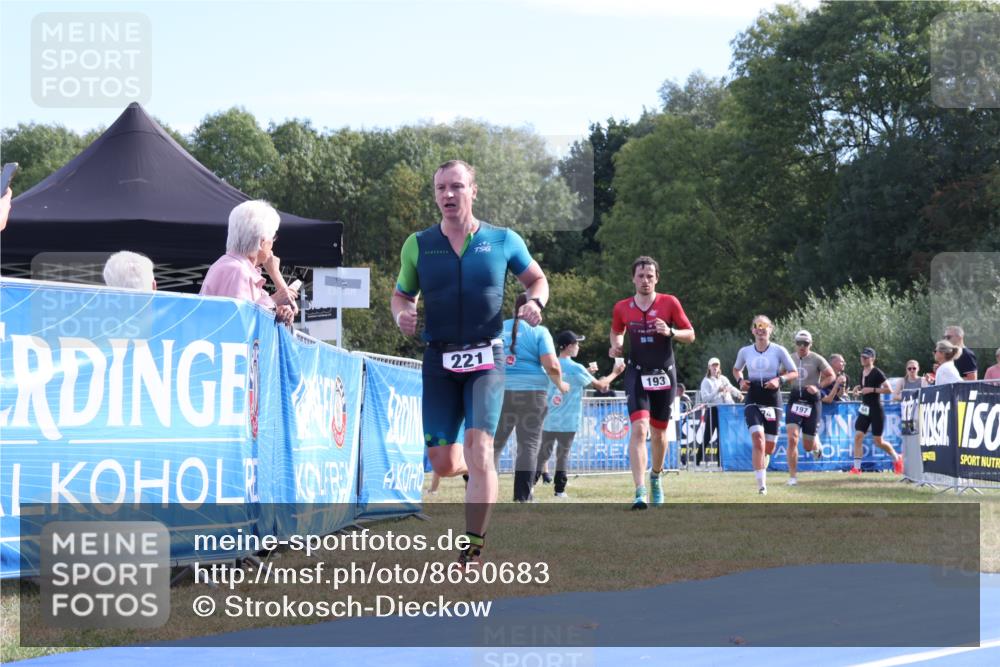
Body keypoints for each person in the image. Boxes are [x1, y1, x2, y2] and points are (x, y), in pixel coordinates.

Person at [392, 159, 548, 565]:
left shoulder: (502, 240)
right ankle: (467, 472)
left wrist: (535, 302)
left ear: (473, 191)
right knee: (442, 463)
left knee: (481, 450)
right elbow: (402, 295)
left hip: (486, 356)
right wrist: (401, 314)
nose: (448, 195)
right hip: (439, 358)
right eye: (441, 188)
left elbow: (537, 279)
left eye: (456, 186)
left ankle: (472, 547)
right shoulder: (418, 244)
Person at [609, 256, 695, 509]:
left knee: (659, 434)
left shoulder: (669, 303)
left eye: (650, 276)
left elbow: (690, 334)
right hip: (636, 373)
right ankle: (639, 491)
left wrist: (670, 332)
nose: (645, 281)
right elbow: (616, 331)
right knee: (639, 429)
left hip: (665, 374)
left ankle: (656, 476)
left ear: (657, 278)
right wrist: (616, 346)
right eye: (640, 276)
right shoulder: (622, 307)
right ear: (633, 279)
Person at [492, 296, 569, 502]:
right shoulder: (540, 332)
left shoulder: (498, 328)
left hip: (499, 393)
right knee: (528, 446)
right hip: (533, 396)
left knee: (494, 446)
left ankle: (485, 493)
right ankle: (522, 497)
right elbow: (551, 365)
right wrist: (560, 385)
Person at [536, 331, 625, 498]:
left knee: (543, 454)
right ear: (569, 347)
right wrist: (615, 373)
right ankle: (559, 491)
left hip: (549, 418)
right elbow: (600, 386)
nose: (578, 346)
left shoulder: (548, 365)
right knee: (563, 455)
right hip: (568, 420)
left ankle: (529, 487)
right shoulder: (576, 367)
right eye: (576, 343)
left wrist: (587, 371)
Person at [200, 200, 298, 325]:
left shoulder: (236, 268)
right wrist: (273, 301)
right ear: (262, 241)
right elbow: (238, 321)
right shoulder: (236, 270)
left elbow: (289, 308)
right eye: (273, 237)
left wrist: (276, 310)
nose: (273, 243)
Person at [733, 315, 798, 495]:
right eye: (757, 327)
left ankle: (765, 457)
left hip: (772, 398)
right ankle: (762, 485)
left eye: (765, 327)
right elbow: (736, 368)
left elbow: (794, 372)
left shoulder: (779, 350)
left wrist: (780, 379)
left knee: (768, 447)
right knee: (758, 440)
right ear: (753, 330)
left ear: (771, 330)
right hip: (753, 396)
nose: (761, 330)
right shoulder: (745, 351)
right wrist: (740, 381)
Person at [785, 330, 835, 486]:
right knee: (792, 438)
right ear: (795, 343)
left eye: (805, 343)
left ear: (810, 344)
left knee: (807, 446)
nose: (802, 346)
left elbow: (831, 375)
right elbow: (779, 373)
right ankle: (793, 477)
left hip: (812, 402)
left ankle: (815, 444)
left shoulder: (816, 359)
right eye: (799, 343)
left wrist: (818, 386)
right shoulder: (790, 358)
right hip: (794, 400)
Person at [849, 347, 903, 475]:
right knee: (858, 437)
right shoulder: (862, 371)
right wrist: (858, 388)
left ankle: (897, 458)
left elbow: (889, 389)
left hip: (876, 410)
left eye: (866, 357)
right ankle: (857, 468)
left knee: (878, 441)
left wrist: (872, 390)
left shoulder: (877, 372)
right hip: (864, 409)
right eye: (862, 357)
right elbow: (864, 387)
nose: (863, 359)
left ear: (872, 359)